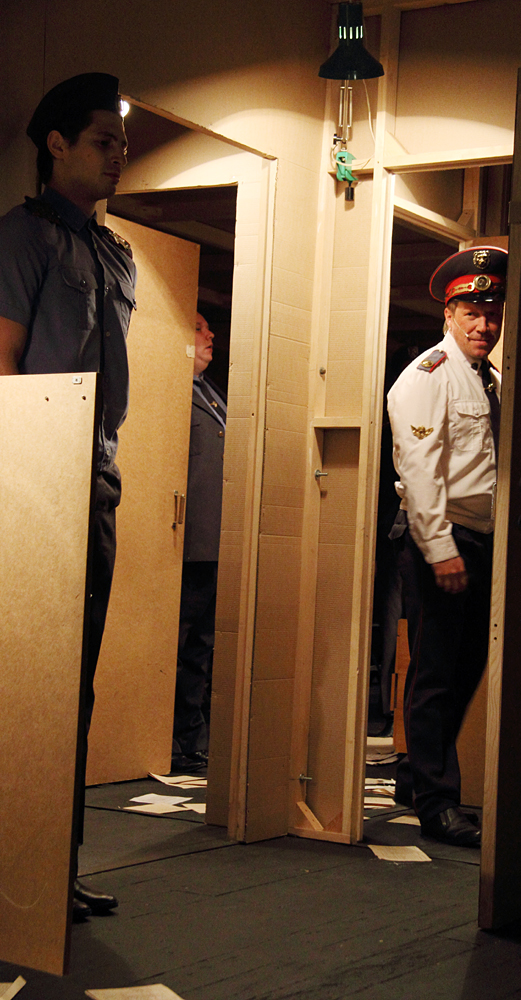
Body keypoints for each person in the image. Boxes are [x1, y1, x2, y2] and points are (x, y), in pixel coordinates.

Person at [0, 73, 135, 917]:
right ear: (56, 145)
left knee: (71, 687)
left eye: (121, 144)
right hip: (34, 477)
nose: (118, 156)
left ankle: (53, 867)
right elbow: (2, 365)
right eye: (101, 141)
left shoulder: (114, 253)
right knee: (23, 687)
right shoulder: (22, 238)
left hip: (95, 479)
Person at [387, 246, 507, 847]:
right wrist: (440, 549)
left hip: (482, 539)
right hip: (442, 536)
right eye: (471, 313)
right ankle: (437, 802)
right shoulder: (427, 376)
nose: (483, 324)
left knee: (467, 666)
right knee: (435, 671)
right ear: (449, 315)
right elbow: (420, 469)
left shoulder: (491, 379)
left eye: (491, 313)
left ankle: (417, 774)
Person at [171, 313, 226, 773]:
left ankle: (192, 739)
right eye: (198, 327)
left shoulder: (210, 392)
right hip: (184, 543)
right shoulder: (170, 392)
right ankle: (168, 739)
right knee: (178, 640)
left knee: (200, 646)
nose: (210, 335)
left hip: (215, 541)